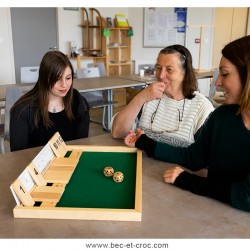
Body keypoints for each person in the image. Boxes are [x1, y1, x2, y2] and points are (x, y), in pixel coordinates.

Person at [124, 35, 250, 212]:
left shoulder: (204, 107)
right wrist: (145, 143)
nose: (217, 82)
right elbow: (192, 158)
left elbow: (245, 197)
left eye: (225, 74)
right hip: (213, 211)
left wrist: (188, 180)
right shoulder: (222, 116)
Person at [112, 44, 214, 147]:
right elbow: (117, 132)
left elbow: (201, 154)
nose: (161, 75)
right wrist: (140, 98)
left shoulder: (202, 107)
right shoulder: (147, 95)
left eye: (169, 69)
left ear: (185, 73)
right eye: (159, 68)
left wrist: (148, 144)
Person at [10, 50, 90, 151]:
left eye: (68, 78)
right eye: (57, 79)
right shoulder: (23, 110)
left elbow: (81, 146)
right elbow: (18, 156)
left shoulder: (79, 102)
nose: (64, 85)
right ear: (44, 78)